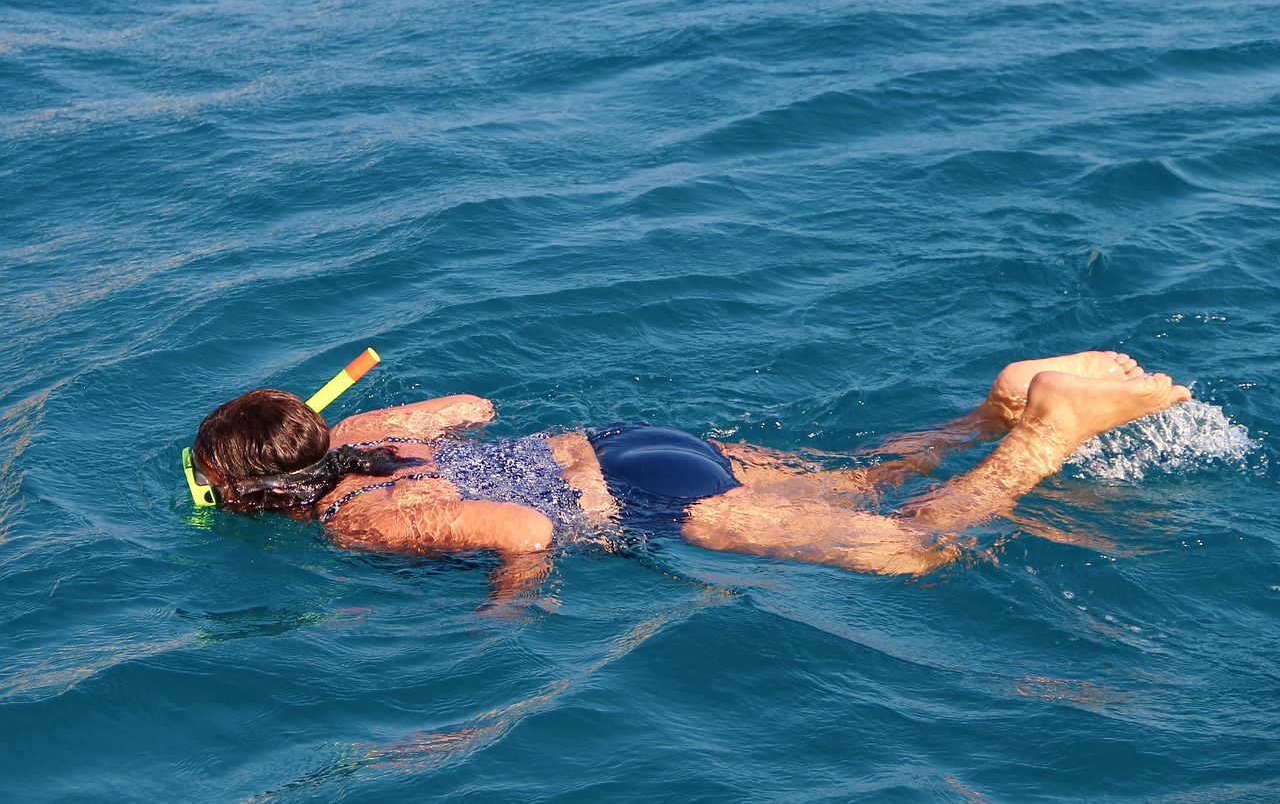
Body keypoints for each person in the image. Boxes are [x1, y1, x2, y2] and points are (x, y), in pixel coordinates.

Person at [188, 351, 1190, 594]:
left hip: (636, 500)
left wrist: (504, 614)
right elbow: (472, 411)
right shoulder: (360, 431)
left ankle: (1039, 436)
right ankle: (991, 409)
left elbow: (527, 534)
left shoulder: (350, 523)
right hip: (622, 441)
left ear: (249, 495)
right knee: (853, 484)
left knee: (906, 551)